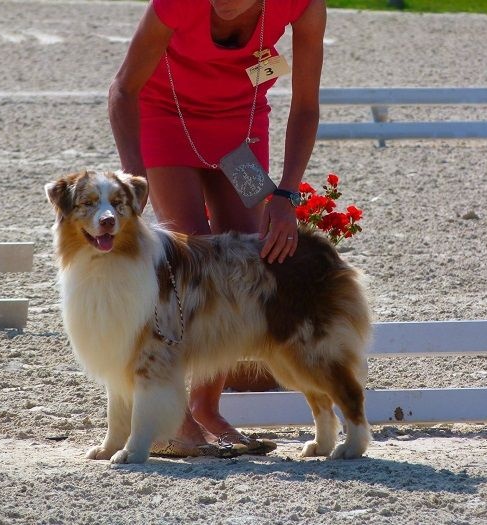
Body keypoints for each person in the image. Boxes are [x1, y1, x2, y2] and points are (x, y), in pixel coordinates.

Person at [108, 0, 326, 456]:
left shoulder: (302, 5)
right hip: (167, 123)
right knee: (189, 262)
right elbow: (123, 90)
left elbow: (306, 105)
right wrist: (134, 184)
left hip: (240, 136)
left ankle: (207, 406)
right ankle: (175, 420)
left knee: (240, 265)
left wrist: (286, 194)